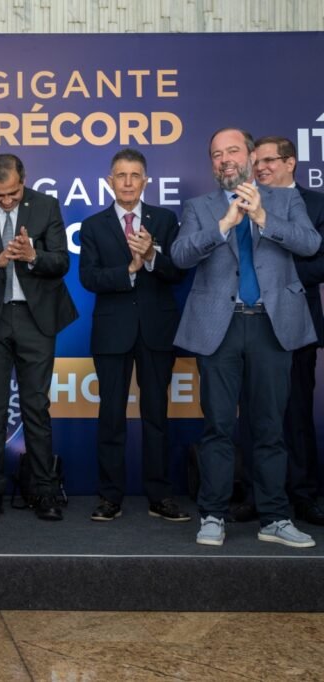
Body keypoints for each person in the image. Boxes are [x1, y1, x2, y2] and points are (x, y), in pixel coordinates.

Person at [172, 127, 319, 548]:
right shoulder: (200, 207)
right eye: (216, 154)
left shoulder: (284, 199)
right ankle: (213, 514)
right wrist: (223, 226)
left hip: (273, 325)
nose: (225, 159)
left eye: (233, 151)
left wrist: (262, 219)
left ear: (253, 157)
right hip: (220, 327)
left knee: (270, 427)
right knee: (218, 426)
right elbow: (181, 255)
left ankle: (274, 518)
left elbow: (310, 244)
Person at [0, 153, 78, 522]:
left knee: (36, 409)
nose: (7, 201)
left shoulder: (46, 207)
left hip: (35, 319)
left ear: (23, 181)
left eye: (12, 193)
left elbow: (62, 262)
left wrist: (33, 256)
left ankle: (44, 491)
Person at [79, 149, 189, 522]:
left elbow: (178, 271)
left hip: (157, 330)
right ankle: (110, 497)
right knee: (110, 415)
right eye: (121, 175)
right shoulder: (93, 225)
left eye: (135, 175)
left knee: (156, 414)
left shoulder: (165, 219)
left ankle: (159, 496)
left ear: (145, 181)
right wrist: (129, 268)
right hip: (112, 332)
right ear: (110, 181)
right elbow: (88, 278)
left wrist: (153, 255)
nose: (127, 182)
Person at [252, 136, 324, 526]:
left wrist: (285, 276)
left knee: (295, 413)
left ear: (291, 162)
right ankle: (256, 494)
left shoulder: (316, 205)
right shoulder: (244, 202)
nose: (261, 168)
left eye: (269, 160)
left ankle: (304, 494)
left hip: (297, 321)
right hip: (248, 324)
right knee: (255, 415)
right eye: (256, 161)